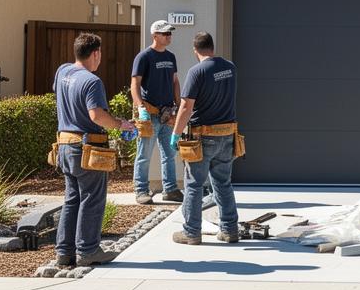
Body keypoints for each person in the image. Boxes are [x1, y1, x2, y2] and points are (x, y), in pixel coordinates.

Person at [53, 32, 135, 267]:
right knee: (92, 198)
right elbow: (96, 115)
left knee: (72, 199)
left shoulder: (62, 72)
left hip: (65, 145)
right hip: (87, 147)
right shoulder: (92, 81)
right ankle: (88, 251)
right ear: (96, 53)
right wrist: (121, 125)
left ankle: (64, 252)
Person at [169, 32, 240, 245]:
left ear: (195, 50)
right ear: (212, 47)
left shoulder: (196, 71)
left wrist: (175, 134)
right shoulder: (230, 68)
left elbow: (186, 106)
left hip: (203, 137)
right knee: (223, 183)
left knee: (194, 185)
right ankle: (229, 230)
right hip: (227, 134)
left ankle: (191, 232)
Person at [130, 20, 182, 205]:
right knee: (144, 154)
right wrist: (140, 108)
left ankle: (170, 190)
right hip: (150, 113)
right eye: (165, 33)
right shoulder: (144, 57)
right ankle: (141, 190)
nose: (169, 36)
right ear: (155, 36)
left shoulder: (171, 57)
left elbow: (175, 82)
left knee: (169, 153)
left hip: (168, 114)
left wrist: (178, 106)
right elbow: (134, 84)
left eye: (170, 33)